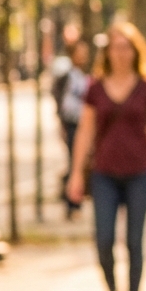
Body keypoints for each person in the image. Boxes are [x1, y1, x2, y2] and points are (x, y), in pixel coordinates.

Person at [66, 22, 146, 291]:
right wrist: (76, 173)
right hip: (104, 173)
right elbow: (85, 132)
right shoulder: (95, 87)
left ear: (134, 50)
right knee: (103, 239)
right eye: (114, 47)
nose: (120, 53)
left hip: (140, 172)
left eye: (125, 46)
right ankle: (113, 290)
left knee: (134, 241)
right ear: (107, 52)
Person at [53, 40, 92, 221]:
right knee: (74, 161)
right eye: (79, 52)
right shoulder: (67, 75)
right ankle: (72, 203)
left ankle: (77, 200)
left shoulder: (85, 74)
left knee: (81, 161)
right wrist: (61, 123)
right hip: (72, 123)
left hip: (84, 124)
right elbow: (60, 100)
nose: (83, 56)